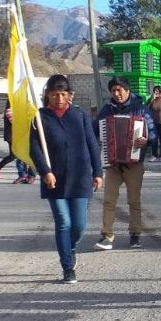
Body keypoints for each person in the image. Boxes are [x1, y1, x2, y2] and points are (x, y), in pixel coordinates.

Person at [29, 74, 103, 284]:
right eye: (54, 94)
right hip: (55, 179)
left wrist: (98, 172)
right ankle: (67, 267)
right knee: (63, 222)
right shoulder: (39, 118)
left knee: (79, 225)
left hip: (80, 177)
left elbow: (92, 144)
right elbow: (34, 149)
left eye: (63, 94)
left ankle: (70, 247)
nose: (59, 99)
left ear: (69, 95)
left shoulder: (79, 115)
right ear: (47, 95)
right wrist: (45, 171)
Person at [93, 77, 156, 251]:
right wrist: (100, 140)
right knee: (109, 201)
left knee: (133, 201)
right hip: (112, 163)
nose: (116, 93)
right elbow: (94, 130)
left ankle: (135, 235)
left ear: (127, 90)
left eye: (119, 90)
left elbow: (153, 131)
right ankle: (107, 235)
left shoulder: (140, 109)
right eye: (113, 90)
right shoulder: (106, 110)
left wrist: (146, 139)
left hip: (134, 164)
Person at [0, 100, 37, 184]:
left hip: (23, 135)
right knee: (16, 155)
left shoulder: (21, 109)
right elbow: (17, 123)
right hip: (14, 137)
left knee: (27, 155)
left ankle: (29, 175)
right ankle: (23, 175)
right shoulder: (10, 110)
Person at [147, 86, 161, 163]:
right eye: (154, 91)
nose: (155, 92)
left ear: (160, 92)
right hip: (153, 123)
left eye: (157, 91)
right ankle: (154, 155)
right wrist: (151, 99)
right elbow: (146, 107)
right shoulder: (152, 100)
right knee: (154, 139)